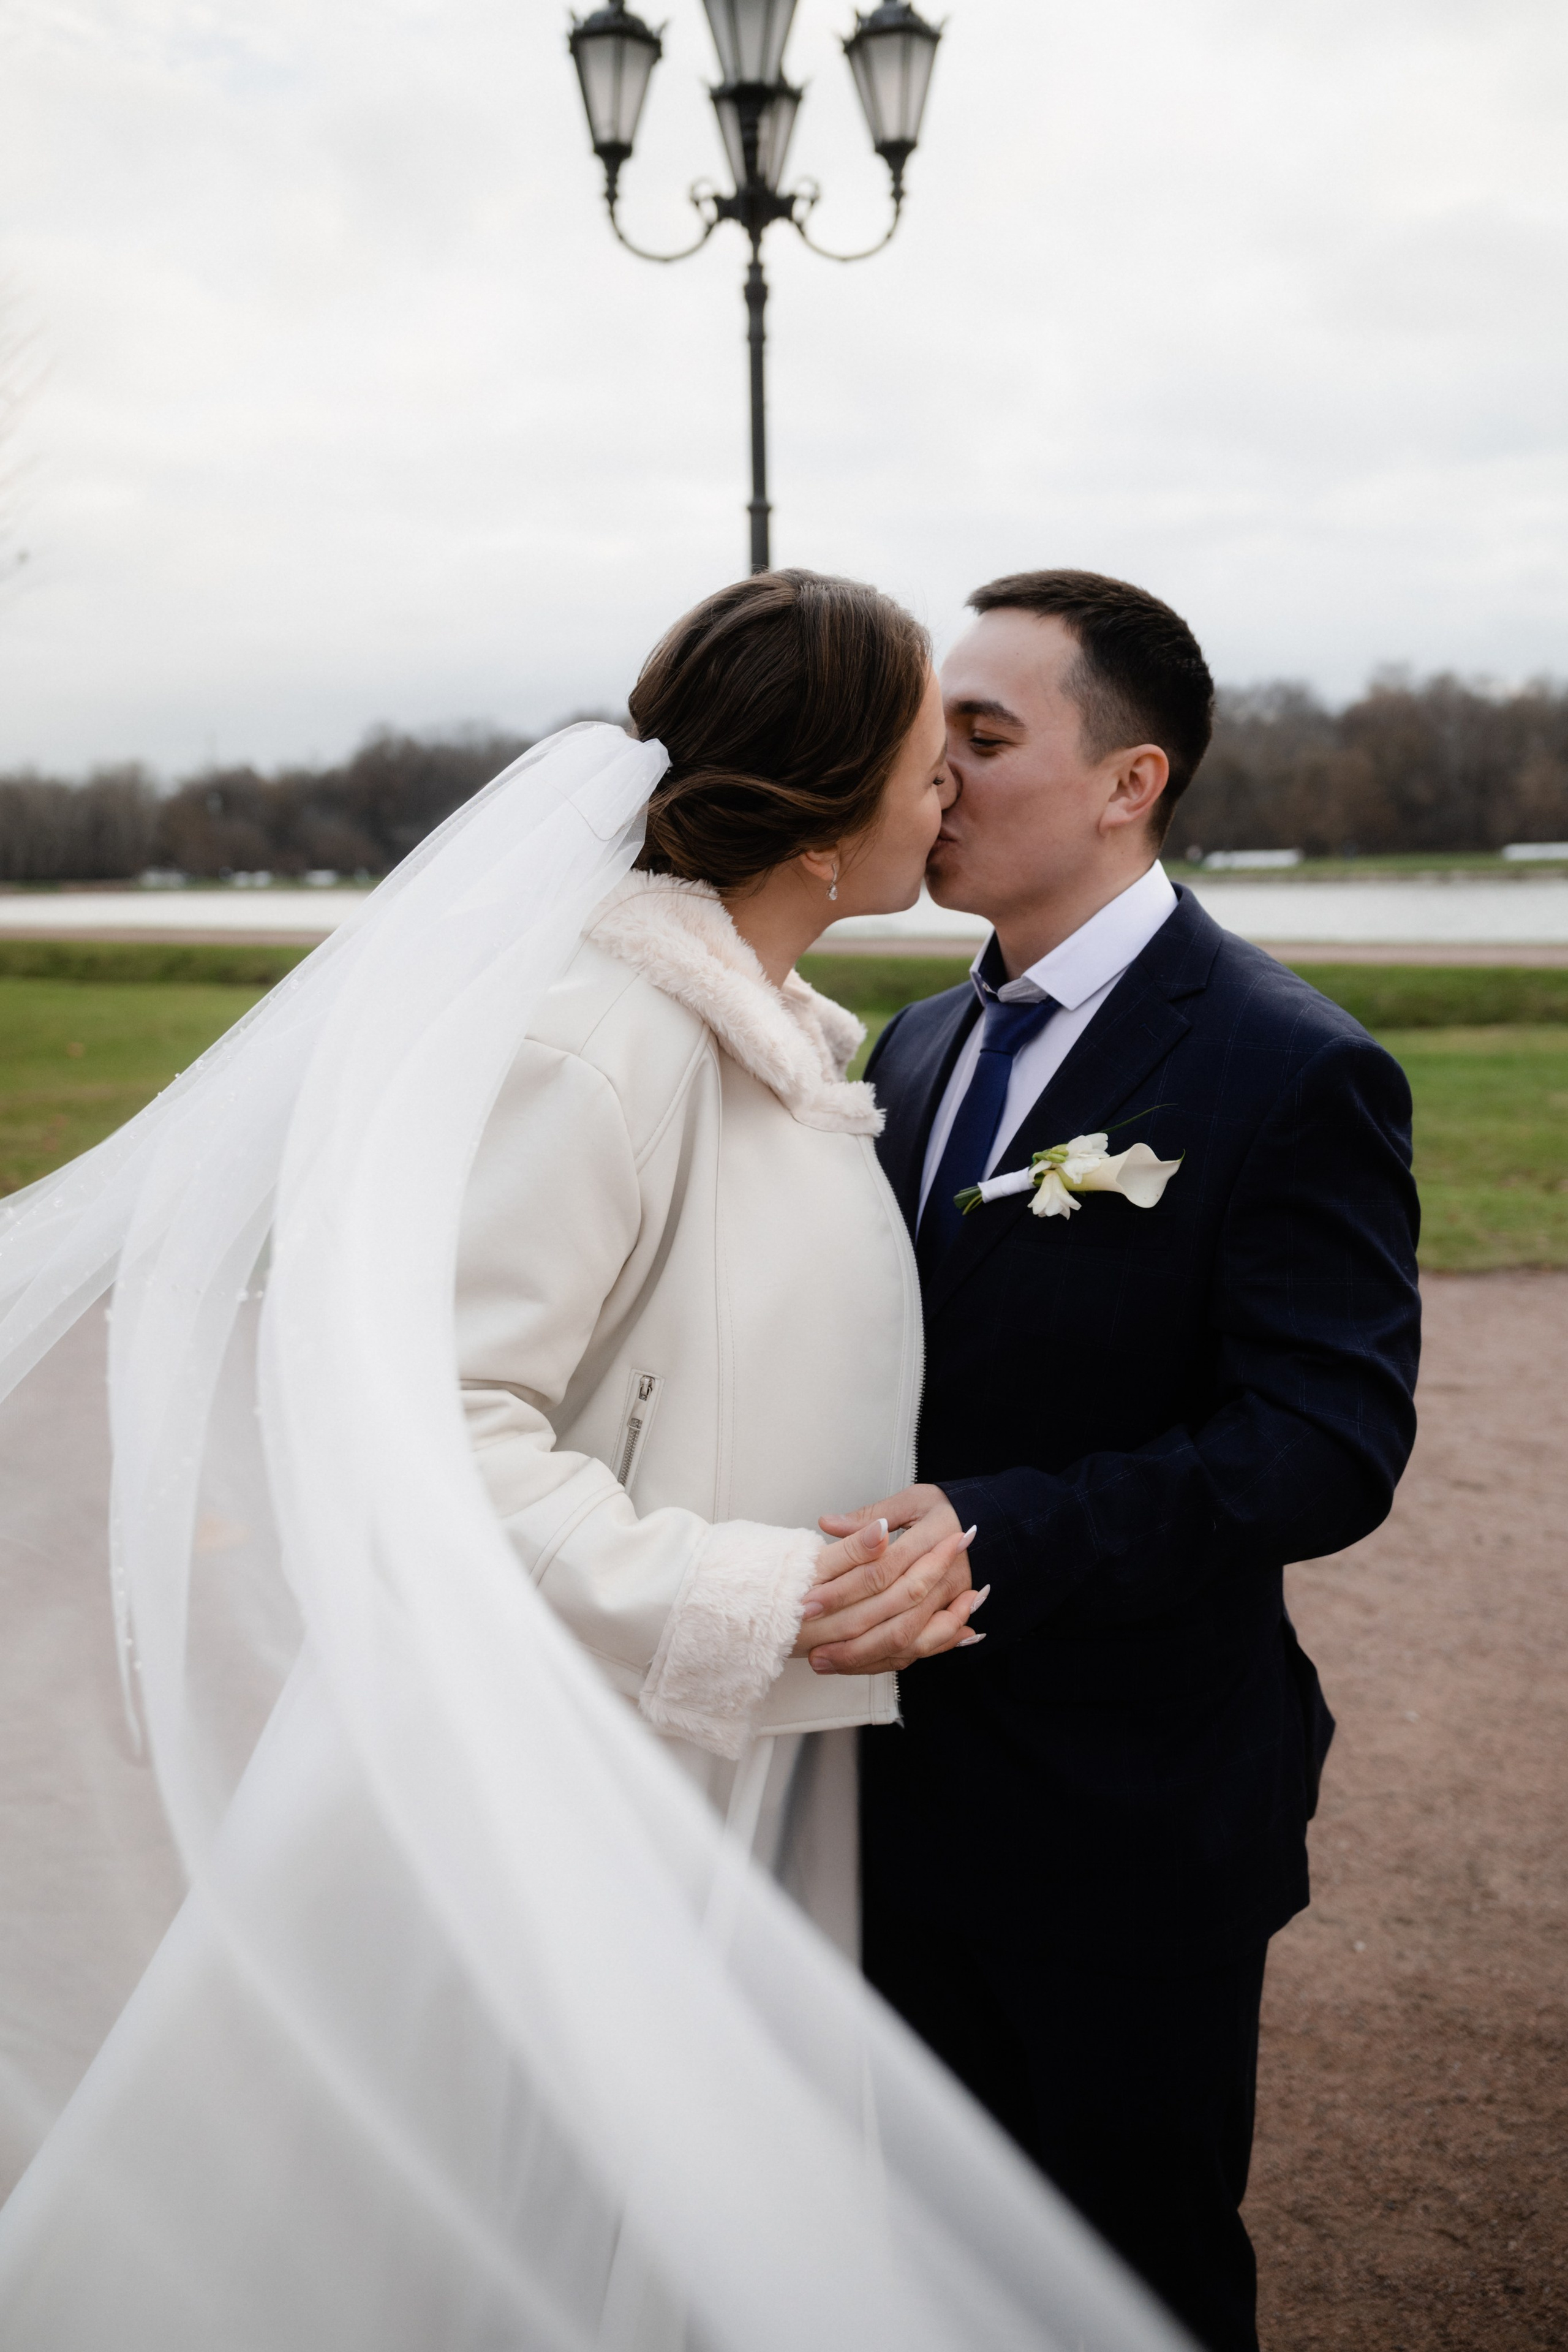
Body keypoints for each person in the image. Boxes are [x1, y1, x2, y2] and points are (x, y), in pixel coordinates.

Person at [0, 570, 1186, 2351]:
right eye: (922, 761)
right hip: (570, 1758)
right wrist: (746, 1592)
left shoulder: (781, 1049)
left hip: (724, 1756)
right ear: (818, 800)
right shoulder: (601, 1040)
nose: (947, 793)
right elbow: (439, 1422)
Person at [809, 570, 1422, 2352]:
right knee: (906, 2265)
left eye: (981, 742)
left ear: (1128, 783)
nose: (935, 782)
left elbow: (1325, 1447)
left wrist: (995, 1536)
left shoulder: (1287, 1067)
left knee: (1118, 2282)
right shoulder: (911, 1045)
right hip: (879, 1800)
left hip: (1124, 1817)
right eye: (934, 743)